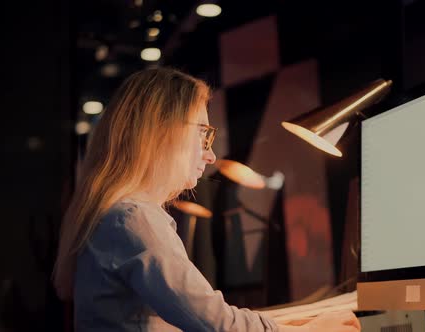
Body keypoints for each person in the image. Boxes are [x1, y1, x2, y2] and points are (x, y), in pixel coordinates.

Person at [53, 67, 361, 332]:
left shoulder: (119, 216)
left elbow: (196, 320)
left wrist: (290, 325)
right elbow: (218, 325)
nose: (210, 155)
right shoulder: (133, 219)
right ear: (161, 132)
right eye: (203, 135)